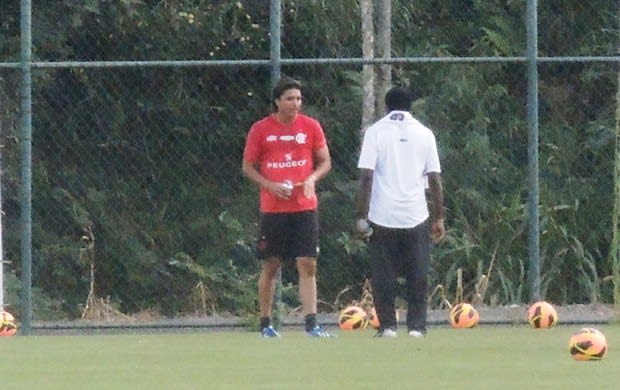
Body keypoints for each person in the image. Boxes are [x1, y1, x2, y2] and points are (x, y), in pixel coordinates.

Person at [242, 76, 333, 338]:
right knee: (271, 265)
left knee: (307, 263)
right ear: (277, 101)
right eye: (290, 98)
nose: (296, 103)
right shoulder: (261, 129)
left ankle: (311, 324)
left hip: (304, 206)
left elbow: (325, 162)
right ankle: (266, 323)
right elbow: (248, 167)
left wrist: (311, 179)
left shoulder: (311, 127)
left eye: (299, 98)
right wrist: (270, 185)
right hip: (274, 209)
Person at [355, 85, 446, 338]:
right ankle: (417, 327)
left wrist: (361, 216)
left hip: (382, 215)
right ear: (411, 106)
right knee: (418, 272)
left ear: (386, 106)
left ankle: (387, 327)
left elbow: (366, 177)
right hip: (415, 214)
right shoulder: (424, 134)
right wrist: (438, 217)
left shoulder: (375, 132)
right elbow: (435, 179)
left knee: (383, 274)